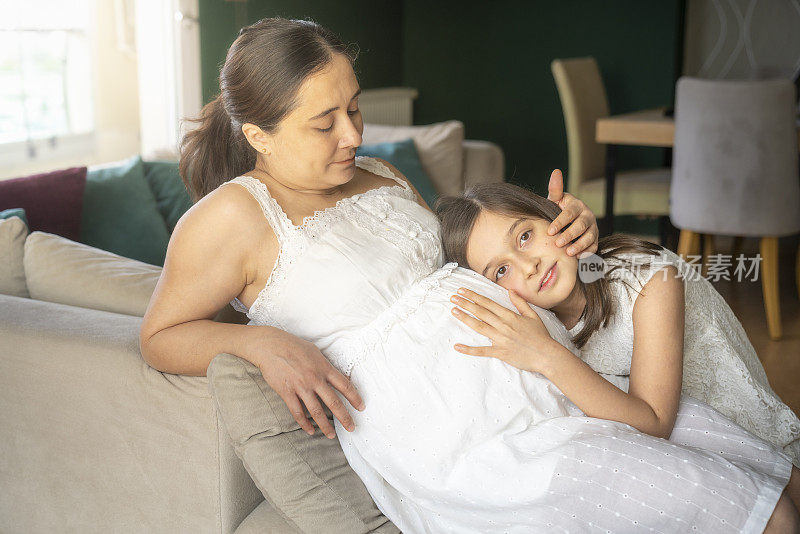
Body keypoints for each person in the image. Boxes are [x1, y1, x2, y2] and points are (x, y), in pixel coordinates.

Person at [139, 17, 799, 533]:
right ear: (259, 137)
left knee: (770, 474)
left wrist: (572, 236)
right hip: (473, 444)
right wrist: (257, 341)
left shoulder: (381, 175)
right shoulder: (229, 218)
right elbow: (160, 334)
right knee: (759, 514)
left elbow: (475, 264)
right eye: (324, 123)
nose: (353, 134)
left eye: (354, 108)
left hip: (558, 378)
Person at [436, 182, 800, 467]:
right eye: (501, 271)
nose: (528, 264)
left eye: (525, 236)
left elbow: (655, 423)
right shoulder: (535, 325)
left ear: (552, 217)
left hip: (743, 430)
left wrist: (547, 356)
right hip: (686, 452)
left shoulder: (648, 279)